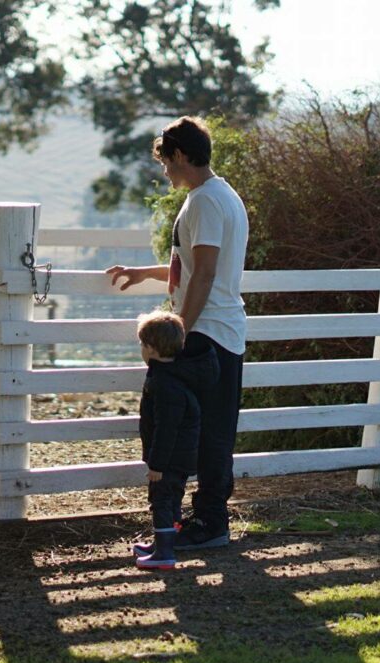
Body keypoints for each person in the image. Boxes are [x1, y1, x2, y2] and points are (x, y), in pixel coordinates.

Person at [108, 116, 248, 551]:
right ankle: (208, 520)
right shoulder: (221, 196)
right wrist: (142, 273)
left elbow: (204, 274)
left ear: (182, 155)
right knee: (210, 429)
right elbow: (190, 268)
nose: (164, 170)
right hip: (220, 329)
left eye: (166, 161)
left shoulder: (205, 202)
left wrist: (180, 330)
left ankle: (209, 523)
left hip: (206, 332)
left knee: (199, 432)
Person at [132, 310, 218, 569]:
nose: (141, 350)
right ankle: (164, 542)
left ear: (152, 348)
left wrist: (156, 464)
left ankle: (164, 553)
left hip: (169, 458)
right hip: (180, 455)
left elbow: (166, 428)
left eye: (142, 345)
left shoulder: (164, 384)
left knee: (161, 500)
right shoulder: (175, 376)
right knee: (172, 499)